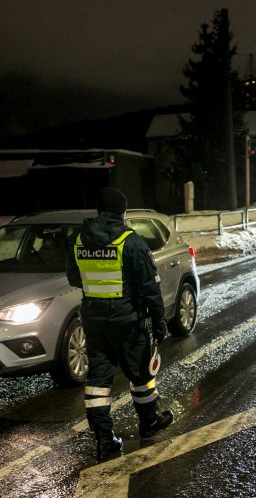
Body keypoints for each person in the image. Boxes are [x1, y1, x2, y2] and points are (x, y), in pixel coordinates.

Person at [66, 187, 173, 461]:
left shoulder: (79, 239)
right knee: (140, 374)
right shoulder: (131, 242)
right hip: (126, 320)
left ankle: (104, 438)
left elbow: (74, 279)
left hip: (94, 319)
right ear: (122, 211)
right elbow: (149, 288)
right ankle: (149, 421)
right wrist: (158, 321)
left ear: (100, 211)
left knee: (98, 380)